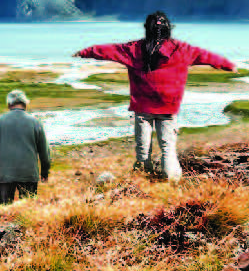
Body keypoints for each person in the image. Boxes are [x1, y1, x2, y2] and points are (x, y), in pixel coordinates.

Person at [74, 11, 234, 181]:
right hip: (168, 108)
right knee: (168, 147)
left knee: (143, 149)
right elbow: (208, 57)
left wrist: (84, 52)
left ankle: (143, 178)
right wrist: (228, 65)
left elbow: (106, 51)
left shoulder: (133, 49)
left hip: (142, 108)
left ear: (147, 29)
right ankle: (171, 178)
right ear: (168, 30)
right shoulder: (182, 49)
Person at [0, 88, 50, 205]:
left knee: (4, 211)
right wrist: (45, 171)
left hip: (5, 175)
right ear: (25, 104)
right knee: (28, 210)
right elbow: (44, 151)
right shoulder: (35, 122)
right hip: (29, 174)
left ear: (9, 104)